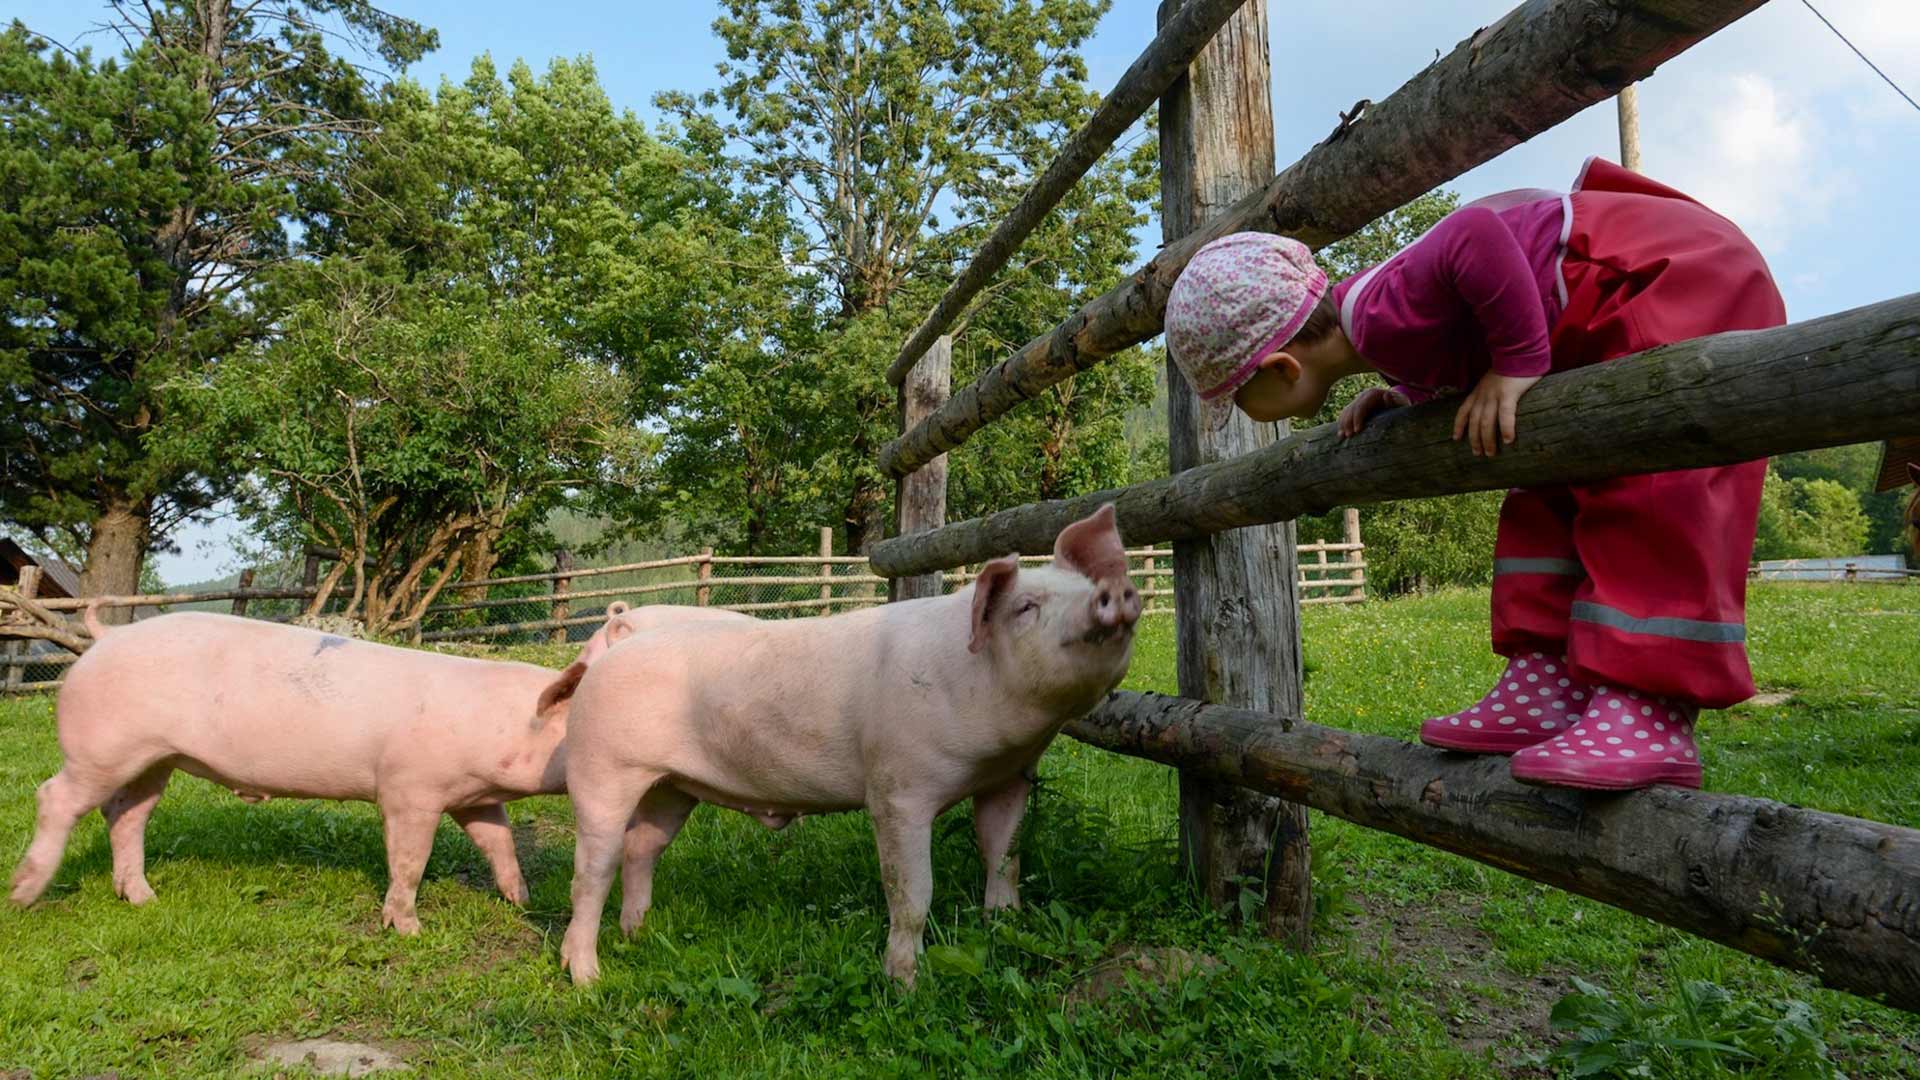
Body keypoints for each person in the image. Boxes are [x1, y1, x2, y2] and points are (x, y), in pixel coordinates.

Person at [1164, 157, 1786, 791]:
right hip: (1614, 302)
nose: (1246, 413)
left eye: (1237, 397)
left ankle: (1649, 706)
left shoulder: (1380, 311)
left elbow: (1473, 233)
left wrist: (1516, 362)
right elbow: (1451, 331)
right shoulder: (1379, 329)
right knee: (1539, 485)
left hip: (1664, 277)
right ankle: (1549, 679)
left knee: (1653, 492)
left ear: (1282, 367)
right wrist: (1409, 394)